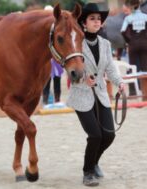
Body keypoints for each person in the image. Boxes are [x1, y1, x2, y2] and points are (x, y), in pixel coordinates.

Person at [66, 3, 126, 186]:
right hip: (81, 94)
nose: (97, 21)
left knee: (109, 135)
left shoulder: (105, 44)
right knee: (95, 135)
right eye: (92, 18)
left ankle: (94, 161)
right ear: (84, 22)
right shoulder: (76, 43)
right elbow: (70, 70)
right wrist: (83, 79)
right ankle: (88, 171)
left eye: (99, 19)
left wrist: (120, 82)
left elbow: (110, 68)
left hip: (100, 93)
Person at [121, 0, 147, 95]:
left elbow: (123, 31)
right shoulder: (145, 16)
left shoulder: (128, 18)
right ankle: (145, 93)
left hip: (133, 44)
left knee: (132, 67)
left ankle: (133, 92)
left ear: (131, 7)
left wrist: (129, 40)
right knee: (145, 68)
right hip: (144, 44)